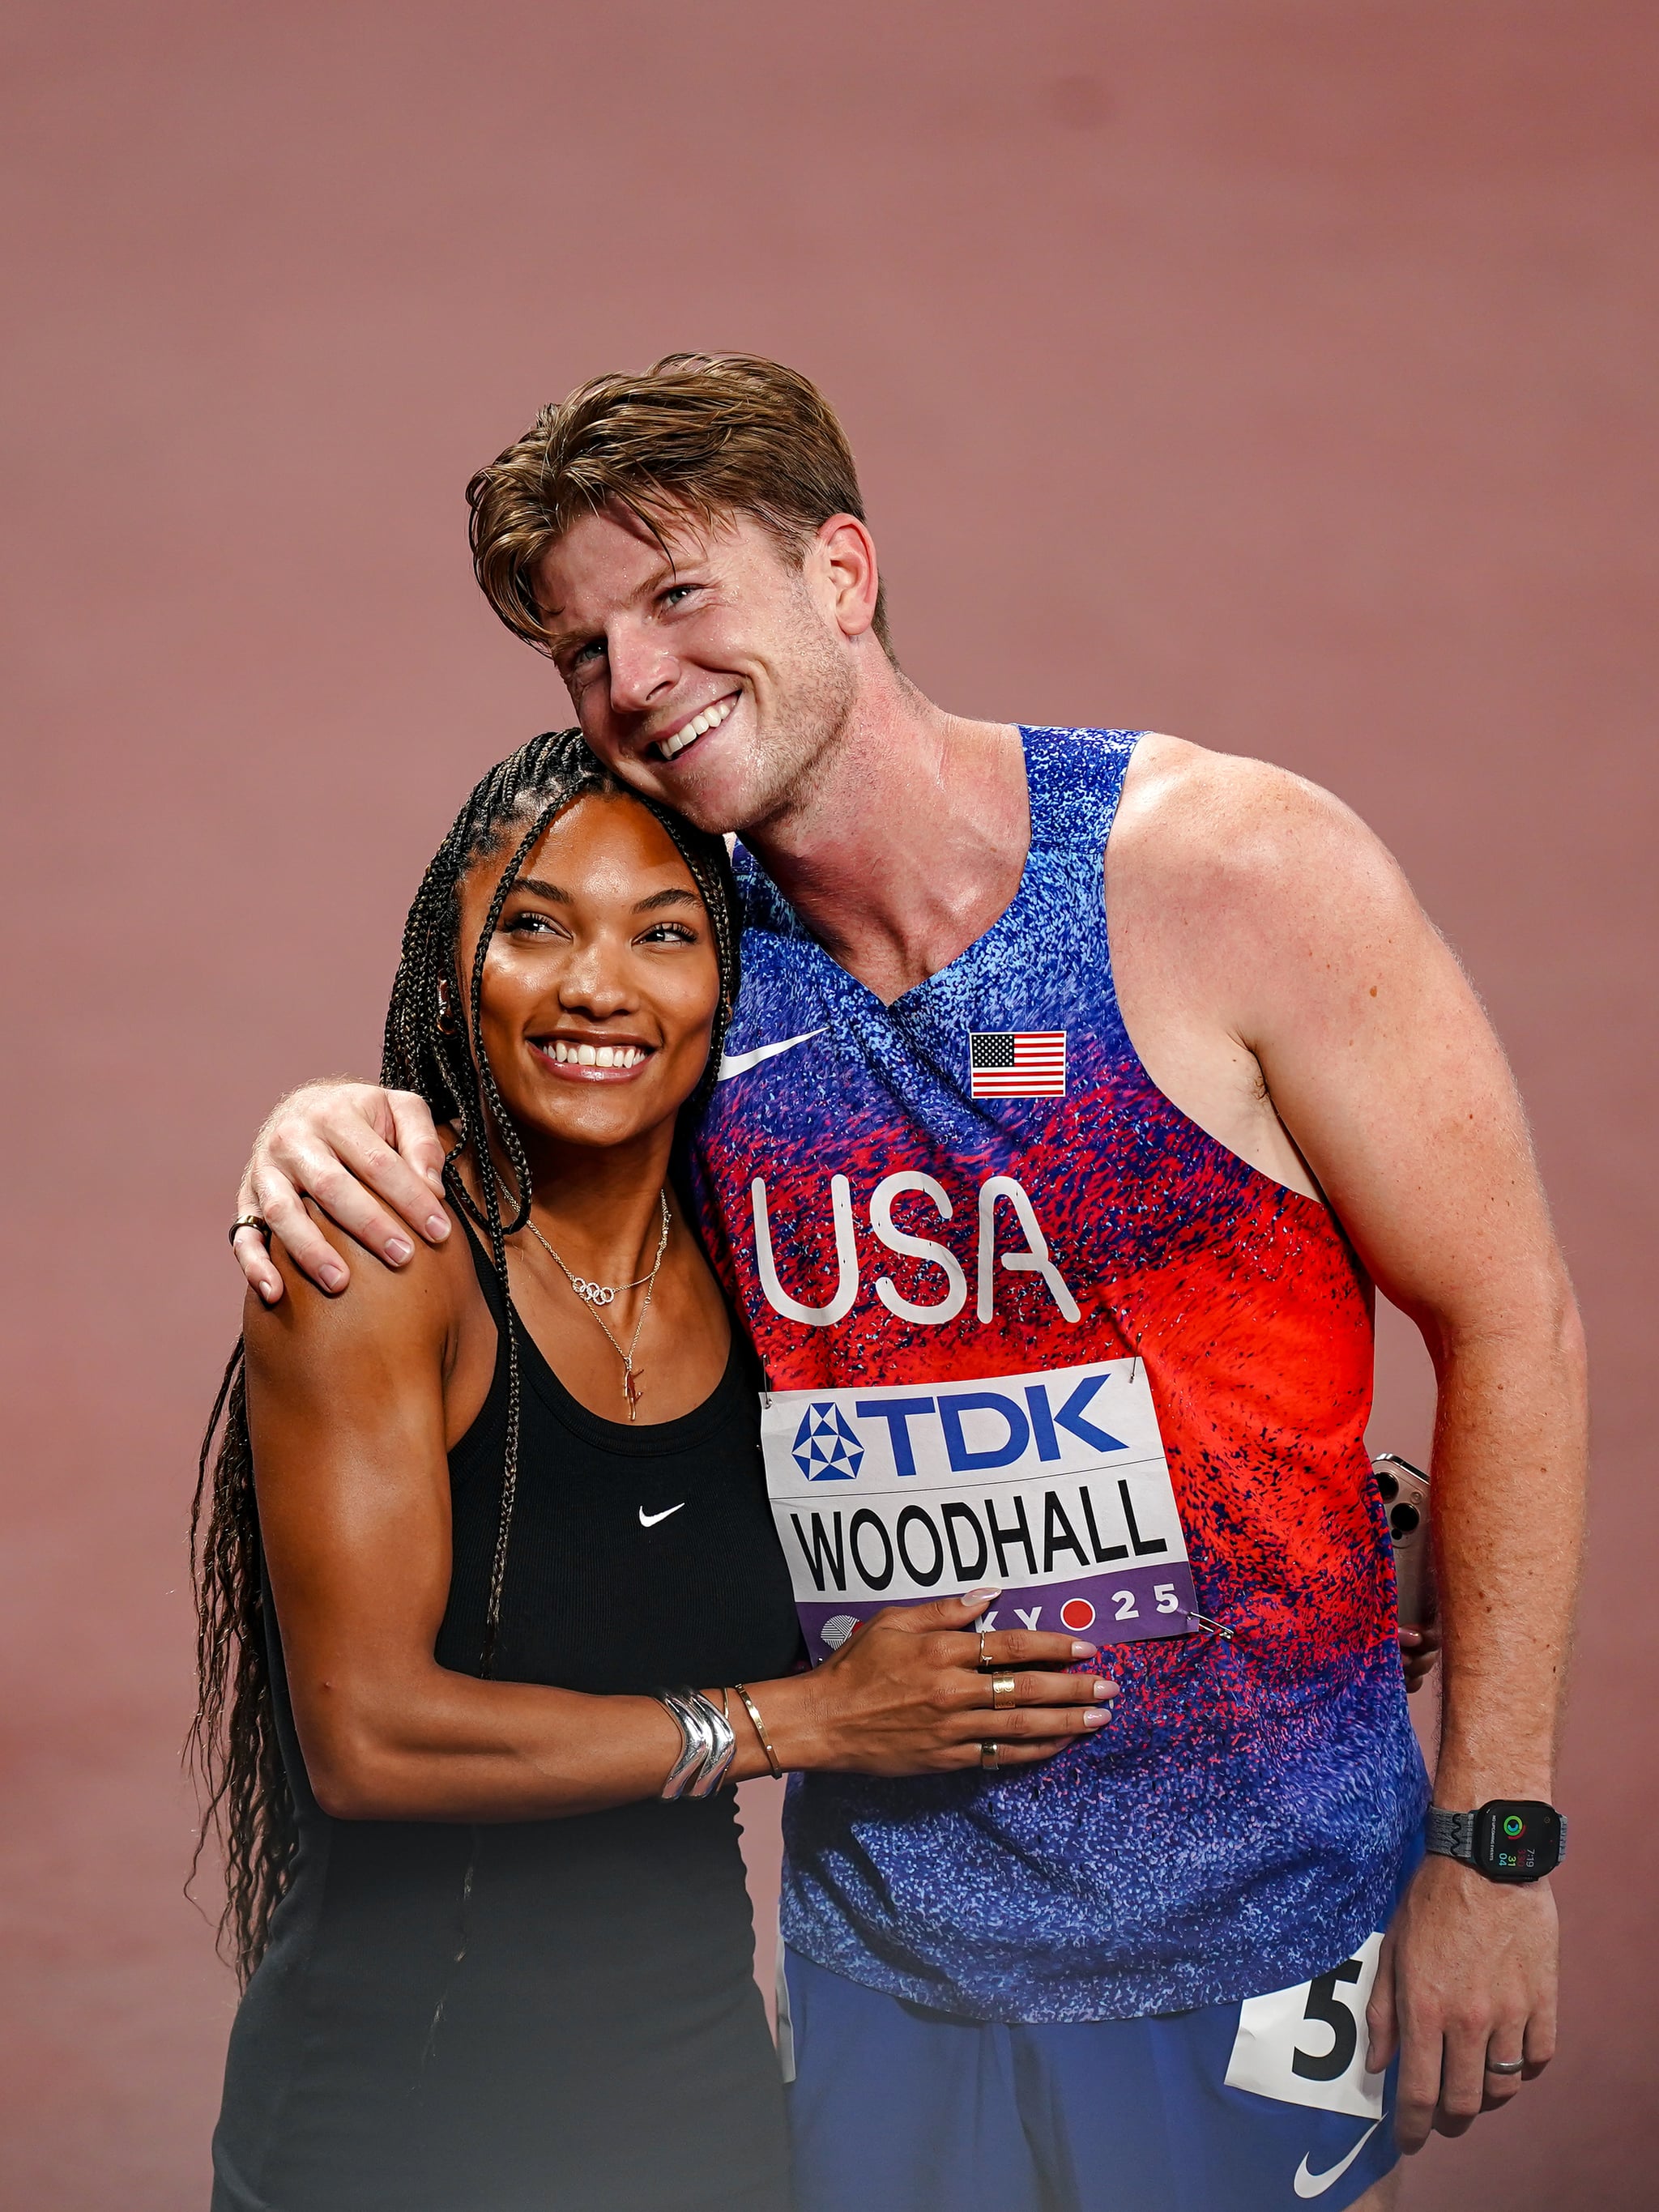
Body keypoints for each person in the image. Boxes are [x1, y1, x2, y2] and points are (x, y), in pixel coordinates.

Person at [228, 357, 1586, 2212]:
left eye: (678, 595)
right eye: (582, 646)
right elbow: (520, 1134)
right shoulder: (700, 970)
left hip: (1252, 1937)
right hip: (888, 1970)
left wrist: (1492, 1846)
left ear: (844, 572)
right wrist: (327, 1116)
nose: (632, 679)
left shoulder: (1227, 870)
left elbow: (1510, 1320)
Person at [191, 728, 1115, 2212]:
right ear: (451, 971)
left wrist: (1320, 1523)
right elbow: (371, 1740)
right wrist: (808, 1720)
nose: (598, 986)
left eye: (666, 934)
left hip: (699, 2106)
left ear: (726, 992)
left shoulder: (777, 1249)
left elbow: (1047, 1071)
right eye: (536, 927)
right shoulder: (382, 1259)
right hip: (397, 2113)